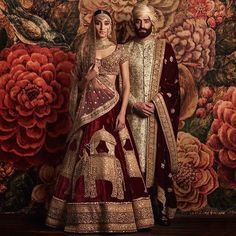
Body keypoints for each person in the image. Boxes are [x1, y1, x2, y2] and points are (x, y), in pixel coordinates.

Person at [46, 9, 154, 234]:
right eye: (98, 23)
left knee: (115, 162)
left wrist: (123, 113)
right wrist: (88, 78)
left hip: (112, 110)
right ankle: (81, 218)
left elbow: (126, 86)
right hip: (89, 112)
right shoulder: (86, 50)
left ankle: (118, 216)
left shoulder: (120, 50)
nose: (102, 28)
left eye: (106, 23)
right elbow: (78, 87)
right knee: (84, 160)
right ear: (93, 25)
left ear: (111, 26)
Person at [124, 3, 180, 226]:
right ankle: (135, 212)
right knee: (132, 163)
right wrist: (135, 104)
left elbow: (173, 87)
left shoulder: (164, 48)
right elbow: (118, 87)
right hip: (131, 116)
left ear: (153, 22)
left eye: (146, 21)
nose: (142, 25)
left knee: (156, 161)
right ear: (133, 22)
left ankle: (159, 208)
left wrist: (156, 104)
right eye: (138, 21)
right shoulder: (124, 50)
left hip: (157, 118)